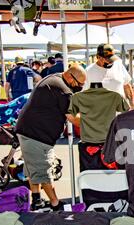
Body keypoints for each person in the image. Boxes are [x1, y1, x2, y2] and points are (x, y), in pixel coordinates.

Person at [15, 63, 87, 211]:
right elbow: (73, 118)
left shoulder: (54, 78)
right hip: (37, 135)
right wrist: (95, 121)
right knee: (43, 170)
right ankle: (55, 203)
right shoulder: (63, 90)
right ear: (70, 77)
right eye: (79, 84)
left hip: (28, 130)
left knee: (33, 167)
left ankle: (36, 199)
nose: (80, 87)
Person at [84, 44, 134, 109]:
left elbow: (127, 86)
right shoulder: (88, 71)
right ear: (98, 57)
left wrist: (133, 107)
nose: (111, 62)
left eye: (112, 58)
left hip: (121, 114)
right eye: (108, 59)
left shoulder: (118, 65)